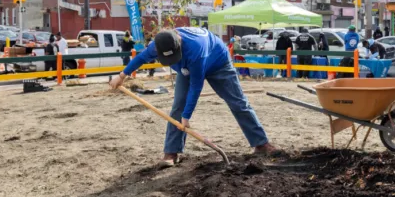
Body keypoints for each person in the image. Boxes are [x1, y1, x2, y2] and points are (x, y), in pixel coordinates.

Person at [110, 27, 279, 165]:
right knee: (178, 106)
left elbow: (196, 87)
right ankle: (172, 152)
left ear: (179, 44)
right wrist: (122, 75)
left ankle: (261, 143)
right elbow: (140, 58)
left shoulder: (196, 48)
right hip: (187, 67)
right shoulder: (159, 43)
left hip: (218, 63)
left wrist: (186, 117)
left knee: (237, 102)